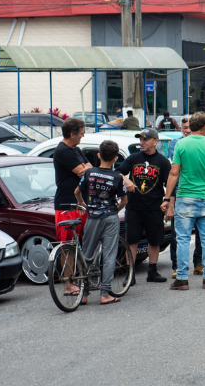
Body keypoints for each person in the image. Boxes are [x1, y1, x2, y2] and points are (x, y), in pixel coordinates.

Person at [164, 111, 205, 291]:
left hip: (186, 197)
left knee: (183, 239)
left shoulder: (181, 144)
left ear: (192, 127)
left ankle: (182, 279)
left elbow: (174, 173)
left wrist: (167, 198)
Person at [74, 139, 128, 305]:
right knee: (109, 254)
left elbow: (77, 191)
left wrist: (83, 203)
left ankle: (84, 294)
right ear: (116, 158)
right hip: (110, 217)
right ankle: (105, 294)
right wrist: (114, 211)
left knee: (87, 254)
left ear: (98, 155)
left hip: (92, 217)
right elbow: (124, 201)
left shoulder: (89, 174)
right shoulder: (117, 178)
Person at [117, 127, 169, 285]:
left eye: (145, 139)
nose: (142, 142)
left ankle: (152, 272)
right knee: (131, 241)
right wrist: (125, 179)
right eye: (140, 139)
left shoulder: (163, 162)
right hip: (134, 207)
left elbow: (171, 184)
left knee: (154, 241)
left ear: (155, 141)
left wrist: (168, 202)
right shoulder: (133, 158)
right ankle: (130, 274)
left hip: (154, 208)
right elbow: (117, 172)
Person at [166, 117, 202, 278]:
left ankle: (198, 263)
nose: (186, 130)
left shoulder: (202, 142)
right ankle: (177, 265)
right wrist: (169, 199)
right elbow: (176, 167)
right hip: (179, 192)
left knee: (202, 231)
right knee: (177, 233)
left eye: (188, 127)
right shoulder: (175, 143)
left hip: (200, 191)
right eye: (184, 127)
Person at [53, 117, 92, 244]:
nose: (83, 135)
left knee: (82, 243)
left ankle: (79, 265)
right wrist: (87, 169)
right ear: (72, 134)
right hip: (67, 205)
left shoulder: (76, 149)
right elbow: (84, 173)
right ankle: (67, 265)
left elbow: (89, 168)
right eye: (81, 132)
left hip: (80, 203)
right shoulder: (63, 151)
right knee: (68, 245)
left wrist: (87, 169)